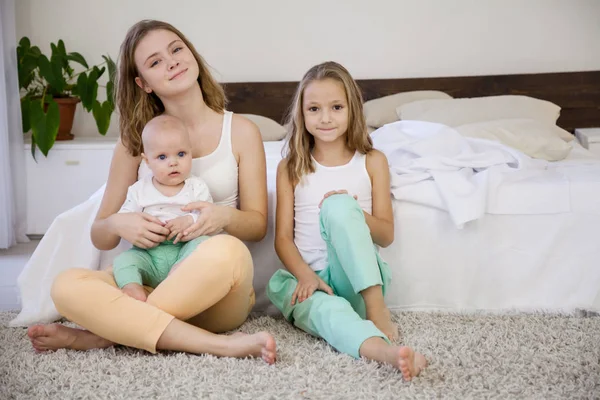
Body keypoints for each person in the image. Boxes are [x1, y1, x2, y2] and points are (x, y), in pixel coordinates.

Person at [26, 19, 276, 364]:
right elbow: (101, 236)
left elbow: (257, 224)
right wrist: (118, 223)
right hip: (147, 286)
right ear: (143, 83)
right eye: (156, 61)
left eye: (176, 49)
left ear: (192, 55)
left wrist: (221, 216)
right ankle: (218, 345)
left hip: (217, 293)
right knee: (66, 286)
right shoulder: (133, 144)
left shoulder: (242, 131)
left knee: (227, 251)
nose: (171, 61)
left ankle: (103, 336)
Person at [266, 61, 426, 379]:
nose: (325, 118)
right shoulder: (290, 167)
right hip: (311, 285)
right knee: (328, 311)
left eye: (336, 107)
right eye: (314, 109)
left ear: (352, 109)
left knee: (338, 206)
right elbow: (282, 238)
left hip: (358, 284)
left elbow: (386, 235)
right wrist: (306, 278)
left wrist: (353, 212)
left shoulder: (373, 162)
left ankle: (376, 311)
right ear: (302, 113)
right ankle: (387, 353)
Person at [113, 115, 213, 302]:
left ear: (191, 153)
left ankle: (177, 278)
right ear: (147, 161)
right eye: (162, 157)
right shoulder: (138, 190)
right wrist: (138, 225)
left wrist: (189, 220)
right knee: (123, 260)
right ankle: (132, 288)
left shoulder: (196, 187)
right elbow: (125, 218)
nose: (173, 162)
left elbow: (207, 214)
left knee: (204, 244)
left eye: (181, 154)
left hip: (183, 248)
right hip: (148, 254)